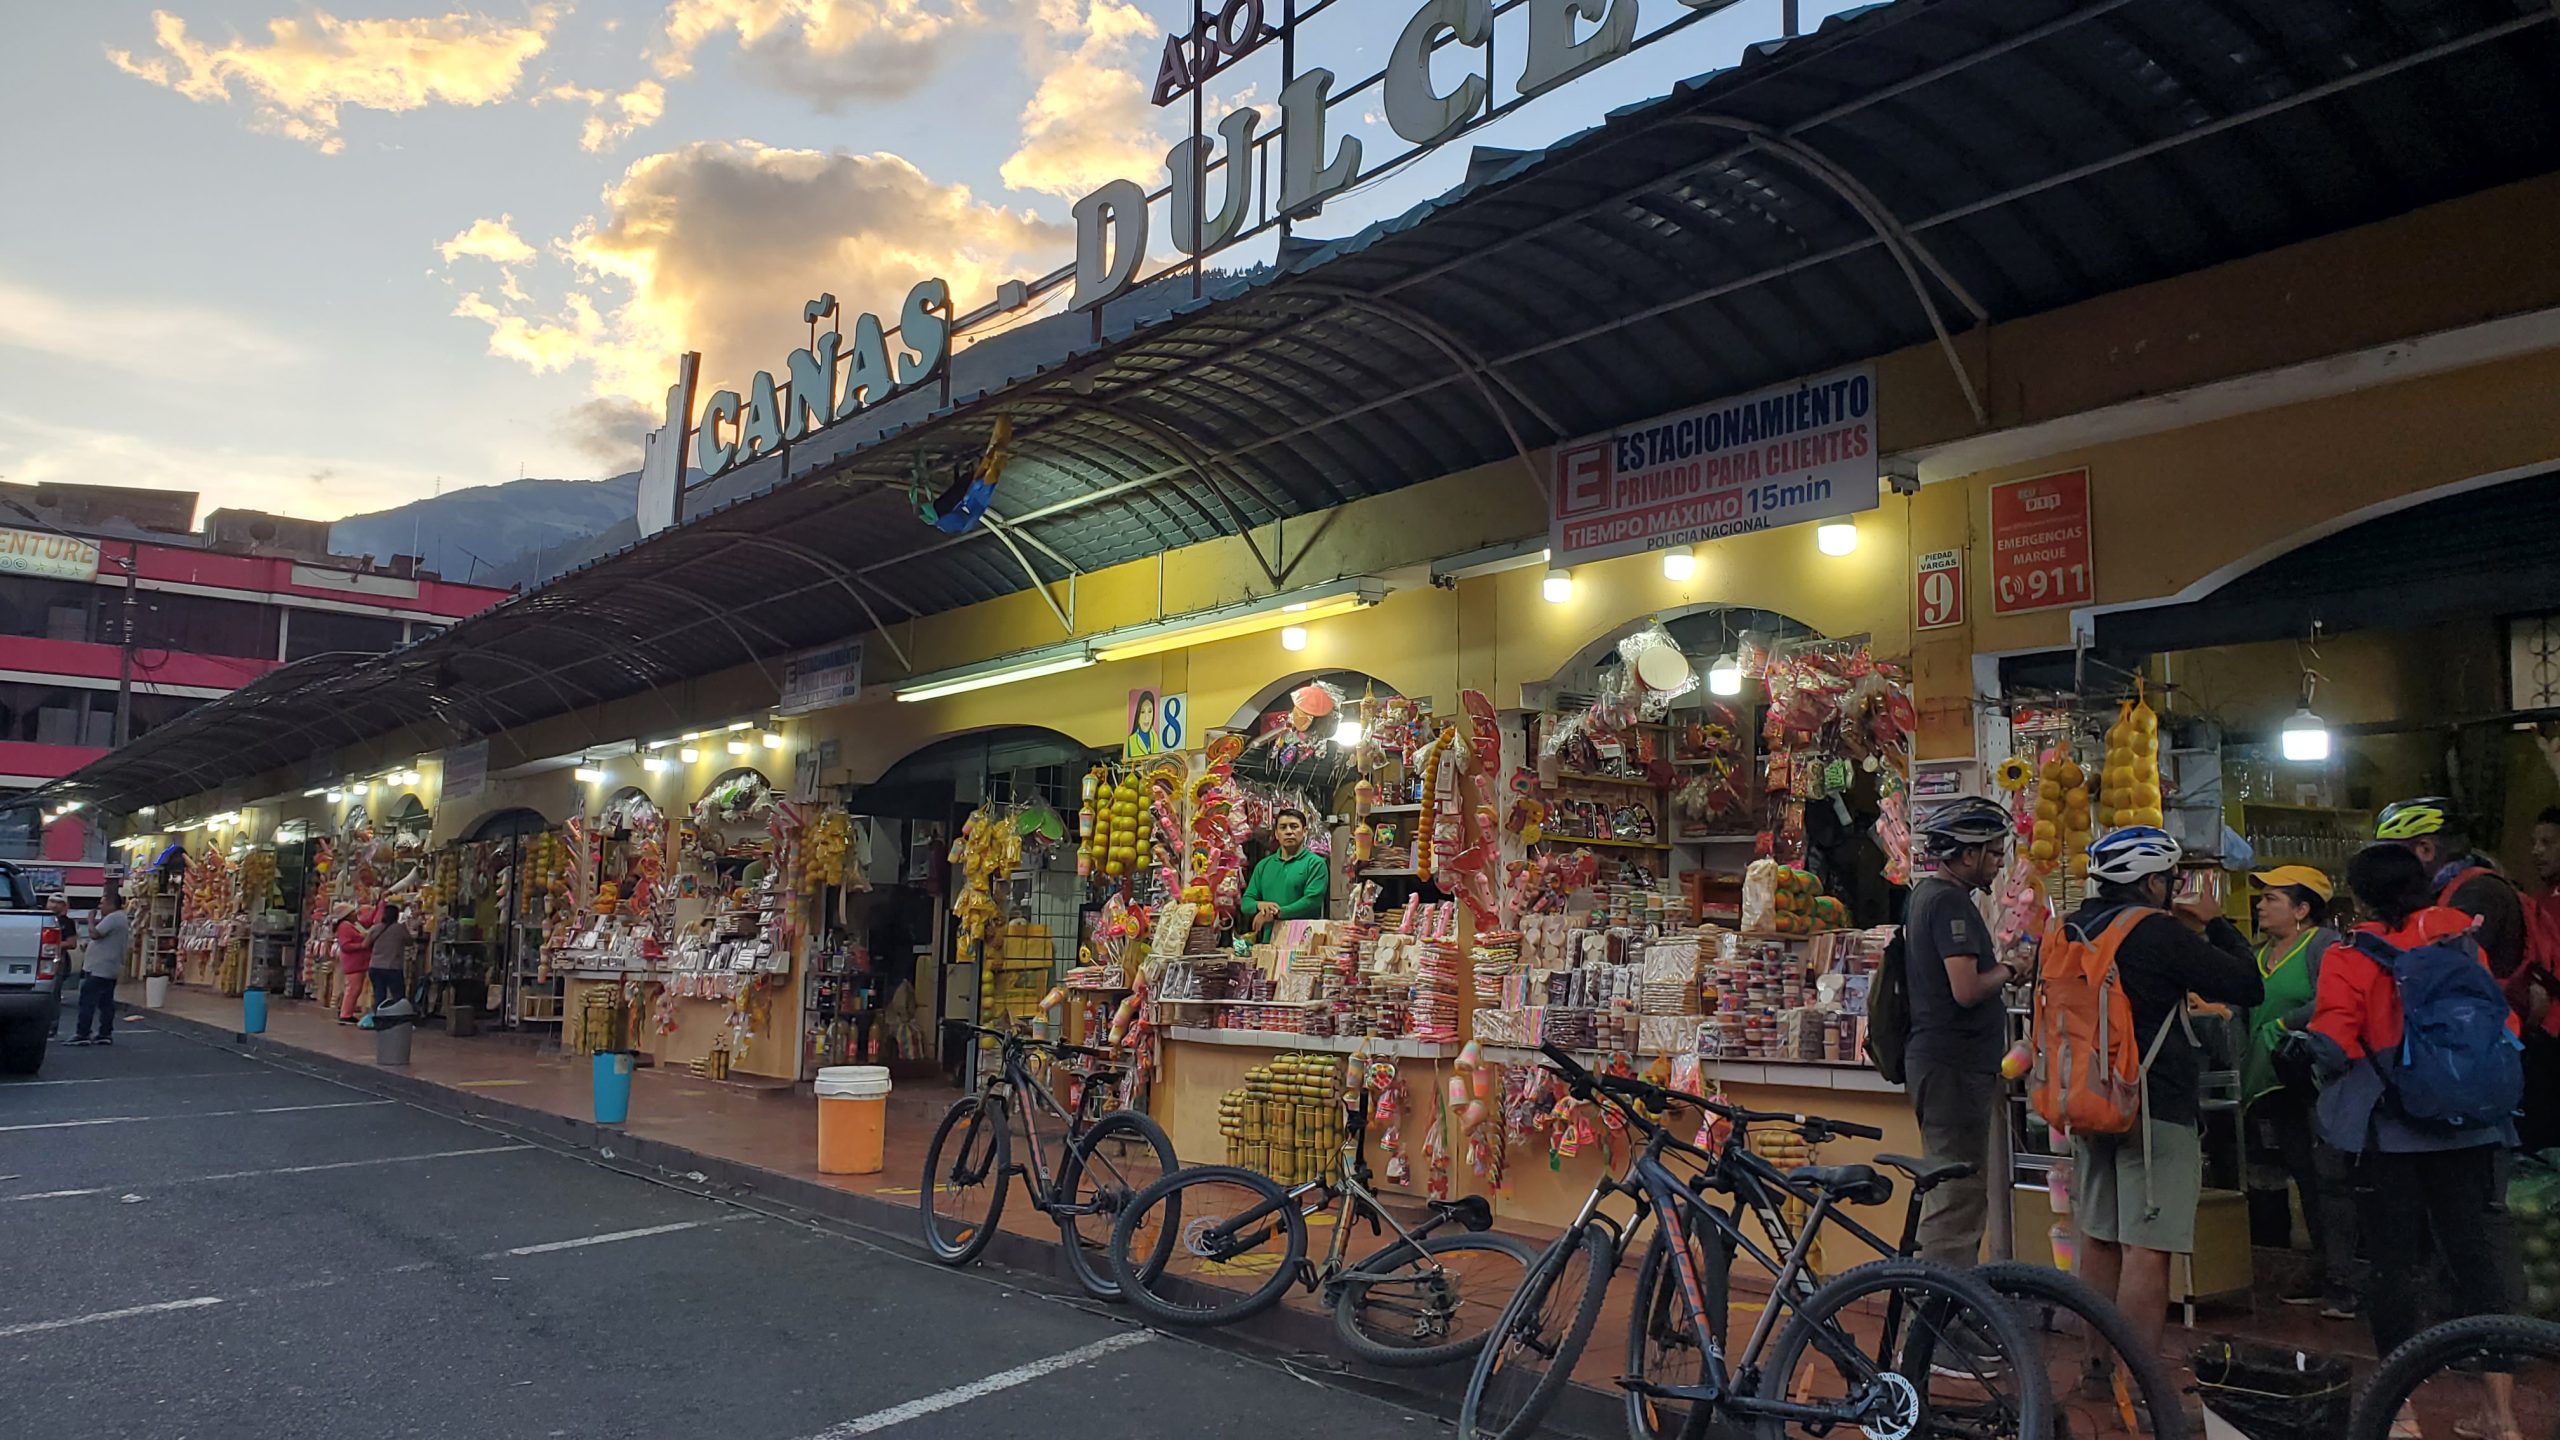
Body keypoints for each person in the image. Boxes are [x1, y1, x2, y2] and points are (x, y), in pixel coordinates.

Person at [2303, 843, 2523, 1426]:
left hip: (2391, 1131)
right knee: (2474, 1261)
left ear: (2360, 895)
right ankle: (2501, 1417)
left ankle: (2400, 1416)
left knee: (2392, 1268)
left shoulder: (2349, 954)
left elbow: (2336, 1040)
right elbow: (2498, 1017)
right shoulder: (2457, 935)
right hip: (2470, 1126)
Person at [2062, 827, 2261, 1371]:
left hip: (2088, 1099)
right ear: (2153, 882)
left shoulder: (2070, 928)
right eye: (2171, 880)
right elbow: (2247, 985)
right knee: (2147, 1250)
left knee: (2099, 1240)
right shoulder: (2158, 932)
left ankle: (2097, 1373)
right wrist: (2216, 921)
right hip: (2156, 1110)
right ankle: (2142, 1386)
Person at [1898, 794, 2018, 1272]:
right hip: (1953, 1069)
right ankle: (1942, 1324)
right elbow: (1966, 988)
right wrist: (2011, 968)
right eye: (1992, 852)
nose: (1998, 862)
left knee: (1953, 1192)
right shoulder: (1950, 904)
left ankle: (1942, 1314)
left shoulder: (1924, 896)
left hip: (1939, 1064)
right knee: (1957, 1196)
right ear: (1965, 854)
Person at [2239, 865, 2355, 1317]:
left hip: (2314, 1080)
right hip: (2273, 1083)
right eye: (2262, 898)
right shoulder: (2257, 953)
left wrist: (2287, 1024)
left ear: (2303, 909)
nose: (2261, 906)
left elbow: (2333, 998)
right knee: (2304, 1176)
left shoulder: (2323, 946)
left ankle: (2343, 1279)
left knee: (2331, 1179)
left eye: (2273, 898)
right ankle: (2323, 1267)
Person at [1238, 808, 1329, 945]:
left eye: (1294, 826)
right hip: (1269, 944)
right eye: (1283, 827)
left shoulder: (1315, 864)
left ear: (1304, 832)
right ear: (1276, 833)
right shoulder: (1264, 866)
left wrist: (1275, 913)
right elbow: (1246, 903)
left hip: (1303, 945)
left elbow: (1311, 901)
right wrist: (1260, 905)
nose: (1288, 832)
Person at [69, 889, 131, 1047]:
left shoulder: (113, 917)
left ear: (111, 904)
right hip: (108, 966)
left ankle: (83, 1033)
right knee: (105, 1001)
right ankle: (105, 1032)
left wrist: (91, 919)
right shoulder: (119, 919)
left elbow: (95, 934)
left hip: (100, 968)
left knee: (88, 999)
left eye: (102, 903)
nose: (100, 906)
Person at [367, 901, 412, 1015]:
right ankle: (398, 1018)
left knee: (379, 995)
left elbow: (366, 943)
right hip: (393, 967)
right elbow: (409, 941)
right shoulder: (400, 928)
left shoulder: (375, 928)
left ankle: (379, 1017)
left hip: (375, 966)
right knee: (398, 996)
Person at [334, 902, 375, 1023]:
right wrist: (362, 945)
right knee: (353, 988)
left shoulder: (353, 925)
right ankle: (345, 1014)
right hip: (353, 962)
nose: (355, 914)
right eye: (353, 912)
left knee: (354, 988)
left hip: (357, 961)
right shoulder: (345, 927)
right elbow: (345, 945)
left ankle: (346, 1012)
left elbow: (368, 922)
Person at [44, 892, 73, 1038]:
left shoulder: (66, 922)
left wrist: (53, 945)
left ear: (64, 906)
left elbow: (72, 943)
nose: (54, 905)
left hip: (57, 961)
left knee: (53, 995)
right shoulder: (43, 919)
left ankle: (52, 1026)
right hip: (41, 961)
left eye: (58, 902)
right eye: (52, 901)